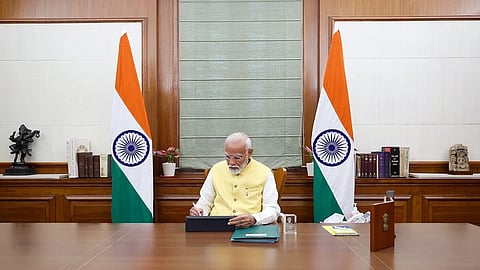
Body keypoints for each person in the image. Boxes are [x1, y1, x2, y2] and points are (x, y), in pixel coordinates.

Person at [189, 132, 281, 228]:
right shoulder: (216, 169)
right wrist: (199, 211)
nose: (231, 163)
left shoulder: (265, 172)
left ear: (249, 153)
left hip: (251, 228)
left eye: (237, 158)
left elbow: (272, 210)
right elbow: (205, 202)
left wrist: (254, 219)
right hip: (217, 227)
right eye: (227, 157)